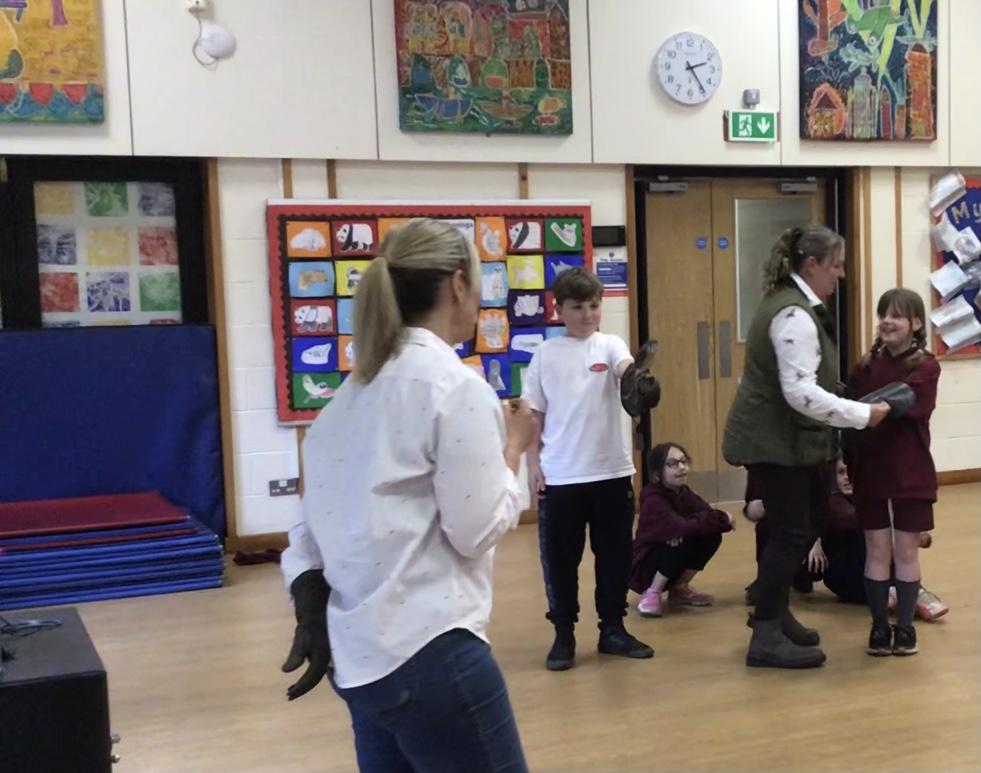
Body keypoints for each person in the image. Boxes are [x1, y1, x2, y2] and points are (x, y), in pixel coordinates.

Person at [279, 218, 537, 773]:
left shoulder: (348, 395)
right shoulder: (455, 386)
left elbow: (307, 527)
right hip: (432, 653)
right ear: (458, 286)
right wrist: (514, 450)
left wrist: (304, 591)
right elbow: (475, 533)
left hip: (363, 663)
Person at [722, 224, 891, 669]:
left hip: (792, 441)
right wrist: (861, 415)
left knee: (812, 518)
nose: (841, 275)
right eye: (836, 266)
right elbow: (800, 393)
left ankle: (777, 614)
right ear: (811, 264)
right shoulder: (792, 315)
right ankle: (765, 632)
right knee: (792, 532)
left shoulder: (798, 305)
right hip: (775, 442)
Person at [523, 267, 654, 671]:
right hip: (561, 476)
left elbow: (625, 368)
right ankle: (563, 634)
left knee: (614, 557)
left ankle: (612, 629)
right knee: (560, 561)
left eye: (594, 306)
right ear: (558, 309)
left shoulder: (610, 344)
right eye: (577, 307)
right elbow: (533, 415)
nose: (587, 314)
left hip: (612, 473)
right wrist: (533, 466)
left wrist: (637, 378)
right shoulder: (545, 355)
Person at [846, 288, 941, 657]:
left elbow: (901, 401)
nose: (887, 321)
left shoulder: (926, 366)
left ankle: (905, 628)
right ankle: (878, 627)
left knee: (906, 552)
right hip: (871, 471)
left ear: (915, 323)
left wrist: (856, 410)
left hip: (910, 472)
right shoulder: (864, 367)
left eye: (896, 315)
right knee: (876, 550)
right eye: (883, 314)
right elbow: (850, 416)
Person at [747, 458, 947, 622]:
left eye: (849, 473)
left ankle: (899, 591)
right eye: (842, 473)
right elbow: (835, 519)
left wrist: (909, 533)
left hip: (844, 561)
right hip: (823, 561)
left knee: (874, 541)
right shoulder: (831, 500)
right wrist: (814, 539)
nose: (847, 478)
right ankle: (898, 592)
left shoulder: (863, 496)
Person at [630, 443, 734, 618]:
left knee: (710, 535)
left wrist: (719, 519)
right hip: (645, 566)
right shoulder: (652, 497)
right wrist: (722, 518)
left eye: (683, 461)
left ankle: (679, 589)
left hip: (671, 559)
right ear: (657, 473)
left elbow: (706, 512)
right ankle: (652, 592)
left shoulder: (684, 492)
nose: (681, 467)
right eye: (672, 464)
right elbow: (678, 526)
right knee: (677, 540)